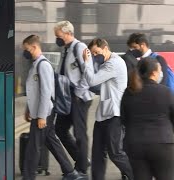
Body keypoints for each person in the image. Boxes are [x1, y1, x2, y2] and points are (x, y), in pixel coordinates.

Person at [22, 35, 83, 180]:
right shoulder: (35, 64)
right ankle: (70, 172)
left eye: (27, 49)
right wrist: (27, 109)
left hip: (44, 113)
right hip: (38, 112)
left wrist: (42, 115)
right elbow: (33, 91)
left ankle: (28, 177)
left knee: (33, 147)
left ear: (35, 47)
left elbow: (46, 92)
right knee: (51, 141)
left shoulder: (43, 65)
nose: (25, 52)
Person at [82, 38, 134, 180]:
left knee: (115, 153)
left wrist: (86, 61)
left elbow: (92, 80)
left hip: (114, 115)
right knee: (97, 153)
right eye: (92, 54)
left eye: (96, 52)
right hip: (103, 115)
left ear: (105, 48)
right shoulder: (106, 63)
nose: (94, 56)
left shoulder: (114, 63)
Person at [121, 57, 174, 180]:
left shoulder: (129, 93)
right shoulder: (166, 92)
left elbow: (123, 119)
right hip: (163, 144)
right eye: (160, 70)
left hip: (135, 145)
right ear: (154, 72)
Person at [53, 20, 93, 177]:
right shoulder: (66, 49)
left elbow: (88, 74)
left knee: (80, 134)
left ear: (68, 33)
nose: (57, 38)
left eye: (59, 35)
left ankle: (82, 169)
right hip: (66, 97)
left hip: (79, 98)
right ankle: (82, 159)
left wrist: (78, 94)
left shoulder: (80, 48)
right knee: (60, 129)